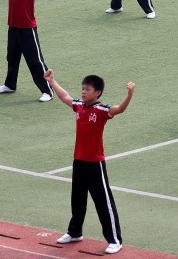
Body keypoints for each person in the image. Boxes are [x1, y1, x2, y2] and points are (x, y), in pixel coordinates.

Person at [44, 70, 133, 255]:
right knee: (77, 199)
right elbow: (65, 96)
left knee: (103, 202)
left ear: (97, 93)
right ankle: (75, 232)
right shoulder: (79, 106)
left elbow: (119, 109)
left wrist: (129, 94)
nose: (83, 92)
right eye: (82, 88)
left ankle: (115, 240)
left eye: (87, 89)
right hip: (78, 162)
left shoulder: (101, 110)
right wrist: (52, 81)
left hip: (95, 164)